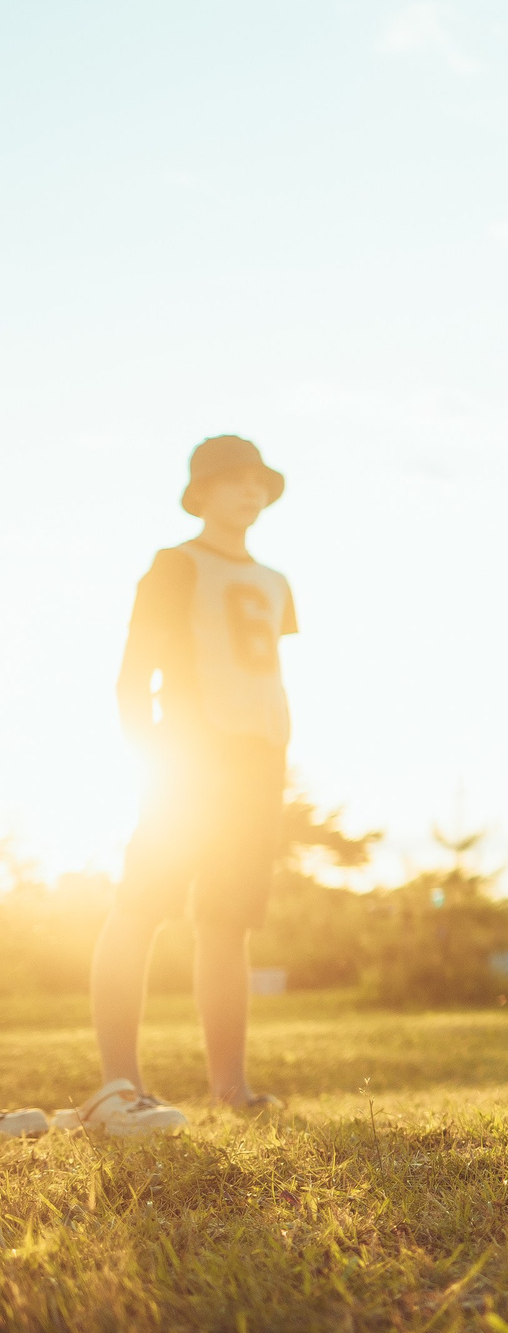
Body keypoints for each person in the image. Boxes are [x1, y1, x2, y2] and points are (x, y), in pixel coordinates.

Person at [57, 437, 295, 1138]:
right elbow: (136, 670)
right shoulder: (175, 565)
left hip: (259, 763)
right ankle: (119, 1081)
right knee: (142, 905)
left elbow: (260, 668)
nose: (249, 491)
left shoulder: (277, 579)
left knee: (229, 920)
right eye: (235, 480)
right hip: (189, 758)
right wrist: (150, 752)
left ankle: (232, 1085)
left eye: (259, 480)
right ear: (203, 491)